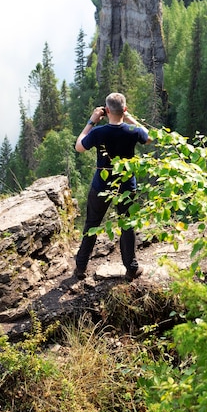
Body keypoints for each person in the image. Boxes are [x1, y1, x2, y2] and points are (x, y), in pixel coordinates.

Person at [74, 92, 151, 281]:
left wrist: (91, 121)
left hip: (101, 185)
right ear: (124, 110)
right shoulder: (133, 132)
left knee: (92, 223)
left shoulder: (98, 132)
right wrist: (129, 117)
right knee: (127, 225)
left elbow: (79, 147)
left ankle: (81, 268)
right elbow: (149, 137)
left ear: (106, 111)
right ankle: (131, 268)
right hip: (126, 185)